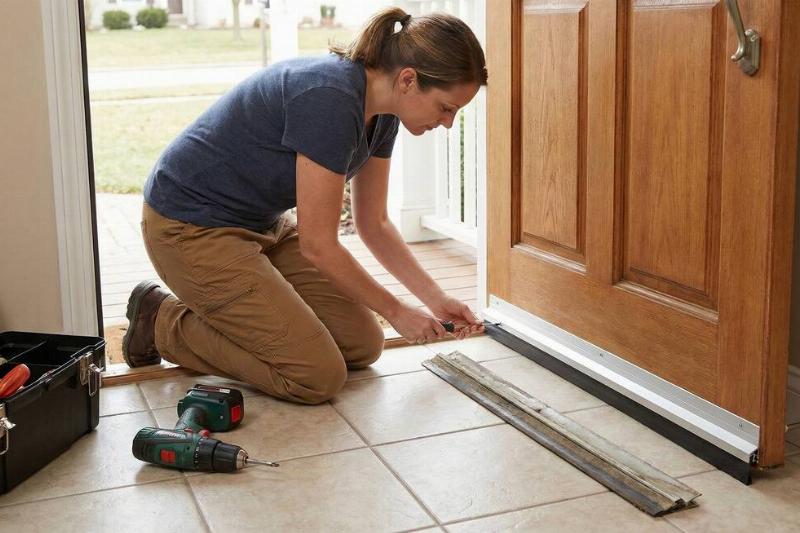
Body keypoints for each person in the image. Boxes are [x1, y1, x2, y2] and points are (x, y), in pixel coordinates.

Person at [122, 7, 488, 405]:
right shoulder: (329, 98)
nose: (449, 122)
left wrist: (435, 301)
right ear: (408, 79)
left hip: (263, 225)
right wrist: (398, 311)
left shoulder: (383, 114)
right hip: (189, 226)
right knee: (316, 376)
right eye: (447, 107)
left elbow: (374, 223)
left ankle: (248, 318)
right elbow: (319, 245)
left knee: (363, 346)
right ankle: (159, 319)